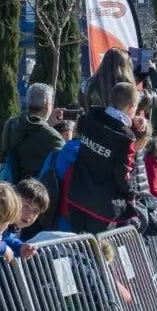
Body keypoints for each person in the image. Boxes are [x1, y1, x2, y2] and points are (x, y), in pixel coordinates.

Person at [62, 82, 141, 234]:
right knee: (102, 252)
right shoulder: (125, 137)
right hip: (102, 206)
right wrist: (131, 194)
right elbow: (124, 174)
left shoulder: (90, 118)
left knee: (80, 249)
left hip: (76, 195)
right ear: (131, 106)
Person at [0, 83, 65, 183]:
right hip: (35, 194)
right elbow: (63, 167)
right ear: (47, 105)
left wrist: (48, 124)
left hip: (10, 189)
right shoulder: (54, 139)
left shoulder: (10, 124)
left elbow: (30, 130)